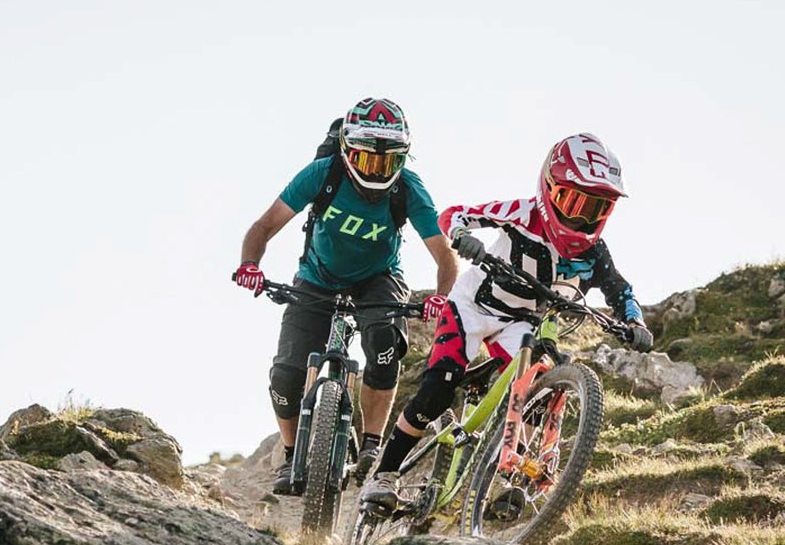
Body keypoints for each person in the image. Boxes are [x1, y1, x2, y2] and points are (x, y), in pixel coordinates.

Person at [361, 131, 653, 510]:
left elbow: (620, 290)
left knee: (541, 383)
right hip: (471, 308)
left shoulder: (594, 253)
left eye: (595, 209)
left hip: (520, 324)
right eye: (573, 201)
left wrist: (635, 322)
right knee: (438, 388)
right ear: (549, 189)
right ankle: (384, 475)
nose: (581, 217)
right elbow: (454, 215)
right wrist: (463, 237)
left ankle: (513, 478)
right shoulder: (521, 213)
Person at [233, 97, 458, 494]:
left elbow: (445, 256)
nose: (377, 170)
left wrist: (441, 297)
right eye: (368, 159)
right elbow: (264, 226)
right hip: (317, 276)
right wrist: (250, 265)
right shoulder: (323, 173)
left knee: (384, 343)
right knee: (286, 374)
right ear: (347, 151)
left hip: (379, 278)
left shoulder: (408, 188)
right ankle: (290, 455)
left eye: (388, 162)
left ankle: (371, 445)